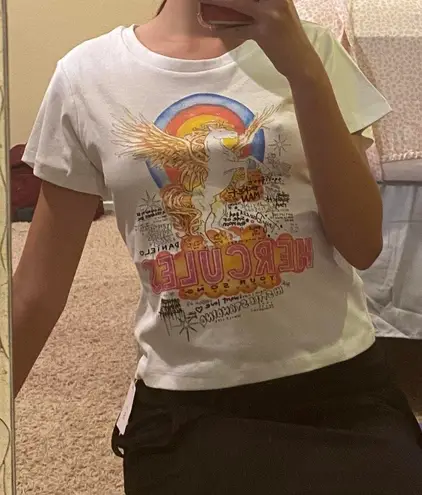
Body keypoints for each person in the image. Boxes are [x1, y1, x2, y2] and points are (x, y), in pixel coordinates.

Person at [13, 0, 422, 493]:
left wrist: (302, 70)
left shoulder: (316, 50)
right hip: (189, 405)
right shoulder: (86, 75)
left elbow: (363, 244)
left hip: (340, 391)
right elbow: (36, 291)